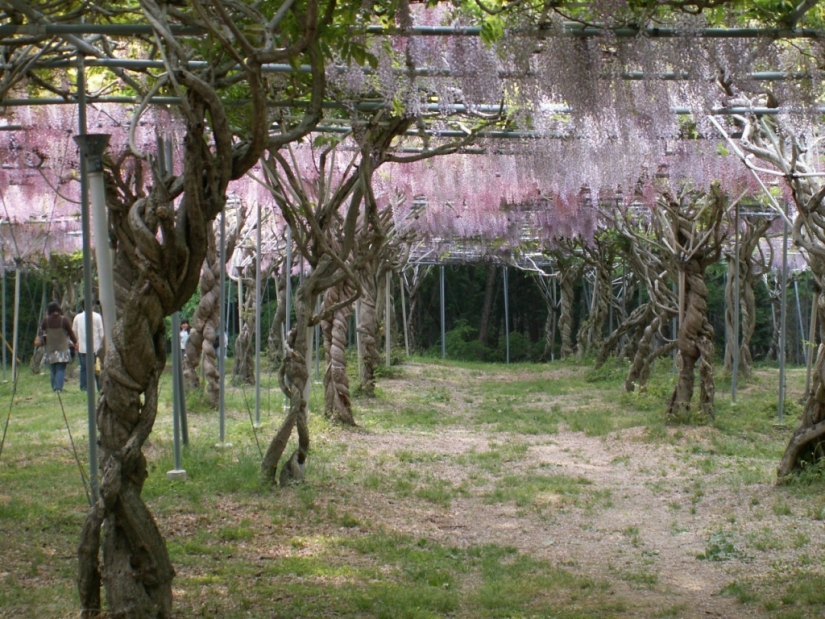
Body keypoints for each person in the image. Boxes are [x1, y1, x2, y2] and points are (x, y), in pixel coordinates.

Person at [38, 301, 77, 393]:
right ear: (58, 309)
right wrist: (75, 342)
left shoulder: (46, 320)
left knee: (53, 368)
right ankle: (58, 388)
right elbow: (71, 333)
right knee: (60, 369)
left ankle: (54, 387)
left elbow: (41, 331)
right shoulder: (64, 320)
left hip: (50, 348)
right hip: (62, 348)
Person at [72, 300, 104, 391]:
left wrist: (77, 341)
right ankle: (99, 387)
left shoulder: (77, 317)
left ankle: (84, 387)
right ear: (93, 306)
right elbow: (102, 334)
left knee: (84, 369)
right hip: (96, 348)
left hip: (82, 348)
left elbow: (74, 332)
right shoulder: (97, 317)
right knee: (97, 369)